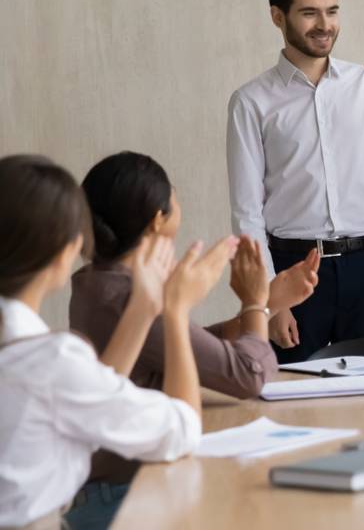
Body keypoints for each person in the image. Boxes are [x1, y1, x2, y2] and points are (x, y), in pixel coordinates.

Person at [65, 151, 319, 528]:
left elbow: (178, 345)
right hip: (125, 498)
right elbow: (249, 374)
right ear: (158, 220)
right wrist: (254, 303)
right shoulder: (125, 297)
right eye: (176, 196)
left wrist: (266, 305)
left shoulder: (98, 282)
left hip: (111, 491)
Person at [0, 154, 235, 528]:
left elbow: (94, 393)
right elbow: (183, 429)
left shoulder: (41, 359)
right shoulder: (52, 361)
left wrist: (143, 309)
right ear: (63, 253)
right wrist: (175, 311)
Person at [227, 0, 364, 363]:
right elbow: (247, 213)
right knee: (290, 400)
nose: (324, 25)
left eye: (332, 11)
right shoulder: (251, 102)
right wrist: (270, 299)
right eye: (309, 13)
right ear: (278, 16)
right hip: (291, 269)